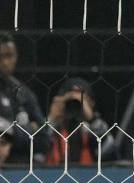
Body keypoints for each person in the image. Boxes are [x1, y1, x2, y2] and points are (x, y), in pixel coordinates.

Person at [45, 77, 118, 165]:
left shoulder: (95, 129)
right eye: (69, 101)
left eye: (80, 100)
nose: (74, 105)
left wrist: (92, 119)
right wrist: (51, 119)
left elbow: (111, 153)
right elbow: (36, 154)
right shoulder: (53, 130)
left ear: (91, 103)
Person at [0, 31, 44, 163]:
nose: (4, 62)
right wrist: (28, 129)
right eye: (0, 56)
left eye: (8, 56)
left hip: (21, 171)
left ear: (16, 57)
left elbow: (44, 139)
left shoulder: (24, 93)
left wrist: (10, 134)